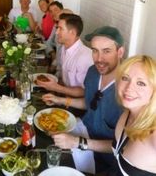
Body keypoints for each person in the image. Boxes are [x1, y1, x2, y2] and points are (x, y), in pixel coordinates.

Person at [42, 26, 125, 174]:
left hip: (102, 158)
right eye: (94, 50)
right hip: (82, 129)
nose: (99, 59)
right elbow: (90, 103)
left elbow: (121, 146)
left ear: (120, 52)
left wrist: (77, 142)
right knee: (45, 143)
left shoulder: (127, 90)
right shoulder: (93, 71)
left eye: (106, 51)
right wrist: (59, 100)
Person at [108, 55, 156, 175]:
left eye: (141, 83)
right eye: (125, 78)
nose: (129, 88)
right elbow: (118, 152)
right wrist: (81, 143)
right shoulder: (127, 114)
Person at [37, 13, 93, 97]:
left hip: (77, 105)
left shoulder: (84, 57)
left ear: (72, 33)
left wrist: (56, 88)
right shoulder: (64, 48)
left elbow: (84, 92)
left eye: (60, 29)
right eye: (57, 28)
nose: (56, 32)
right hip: (64, 97)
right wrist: (55, 91)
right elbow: (65, 79)